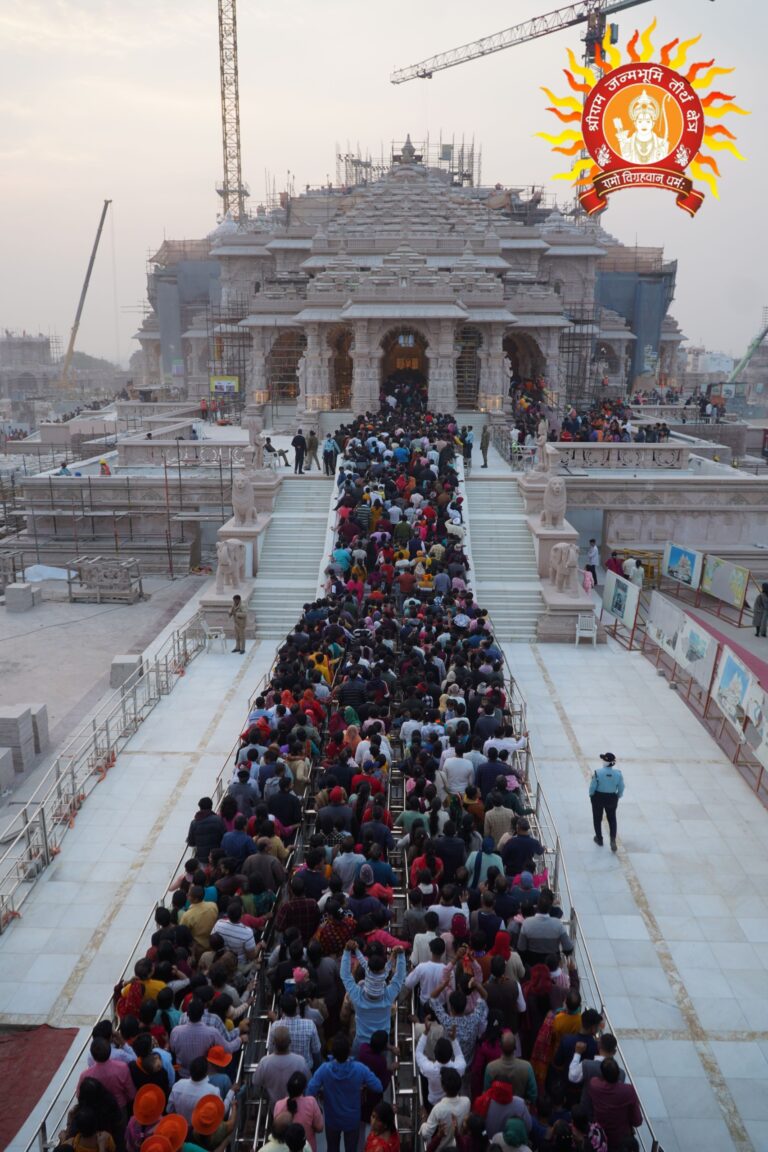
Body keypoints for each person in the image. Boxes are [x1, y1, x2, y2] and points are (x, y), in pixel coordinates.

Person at [306, 1032, 383, 1152]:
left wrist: (321, 1092)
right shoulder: (359, 1069)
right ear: (349, 1051)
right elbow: (378, 1086)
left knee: (332, 1148)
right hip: (352, 1120)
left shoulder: (324, 1069)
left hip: (332, 1120)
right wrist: (363, 1085)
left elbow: (309, 1091)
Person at [589, 752, 624, 852]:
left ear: (606, 761)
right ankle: (612, 839)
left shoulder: (597, 772)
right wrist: (618, 795)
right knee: (612, 818)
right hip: (612, 798)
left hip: (598, 797)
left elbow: (592, 786)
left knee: (597, 818)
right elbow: (621, 787)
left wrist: (591, 794)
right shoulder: (618, 774)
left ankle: (599, 839)